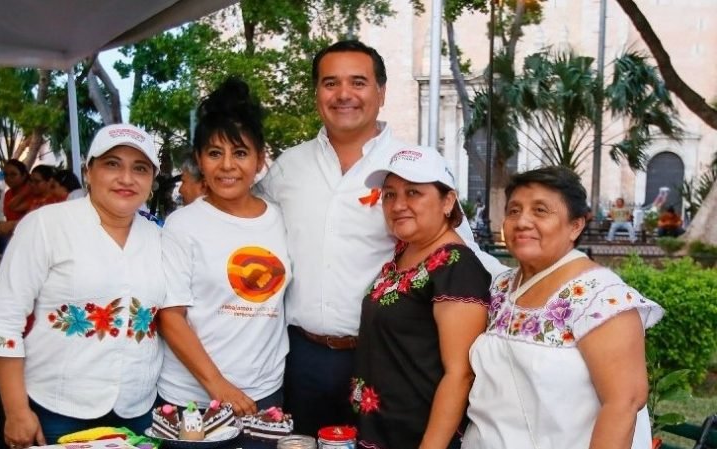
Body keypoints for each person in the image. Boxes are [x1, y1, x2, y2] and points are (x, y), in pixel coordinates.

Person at [258, 39, 506, 436]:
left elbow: (462, 256)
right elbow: (248, 230)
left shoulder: (413, 167)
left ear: (382, 92)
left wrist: (545, 284)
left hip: (384, 359)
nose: (343, 95)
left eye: (358, 82)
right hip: (298, 355)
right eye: (330, 83)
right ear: (316, 92)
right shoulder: (288, 167)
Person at [0, 124, 166, 448]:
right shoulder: (46, 225)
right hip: (57, 408)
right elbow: (2, 320)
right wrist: (16, 410)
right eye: (112, 164)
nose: (126, 178)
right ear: (88, 171)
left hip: (137, 409)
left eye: (140, 168)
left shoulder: (160, 238)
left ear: (151, 180)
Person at [461, 166, 664, 449]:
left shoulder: (601, 296)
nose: (522, 222)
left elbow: (624, 402)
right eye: (514, 211)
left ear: (576, 225)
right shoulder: (501, 287)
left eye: (540, 211)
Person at [158, 78, 290, 449]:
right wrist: (219, 386)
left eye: (240, 153)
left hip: (263, 394)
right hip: (191, 400)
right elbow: (170, 316)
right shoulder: (182, 225)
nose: (227, 166)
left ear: (261, 159)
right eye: (215, 154)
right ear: (199, 160)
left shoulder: (280, 219)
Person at [353, 148, 491, 449]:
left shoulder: (457, 267)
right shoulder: (406, 251)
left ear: (448, 201)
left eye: (413, 192)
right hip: (381, 429)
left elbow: (460, 374)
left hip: (420, 437)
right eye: (389, 195)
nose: (398, 204)